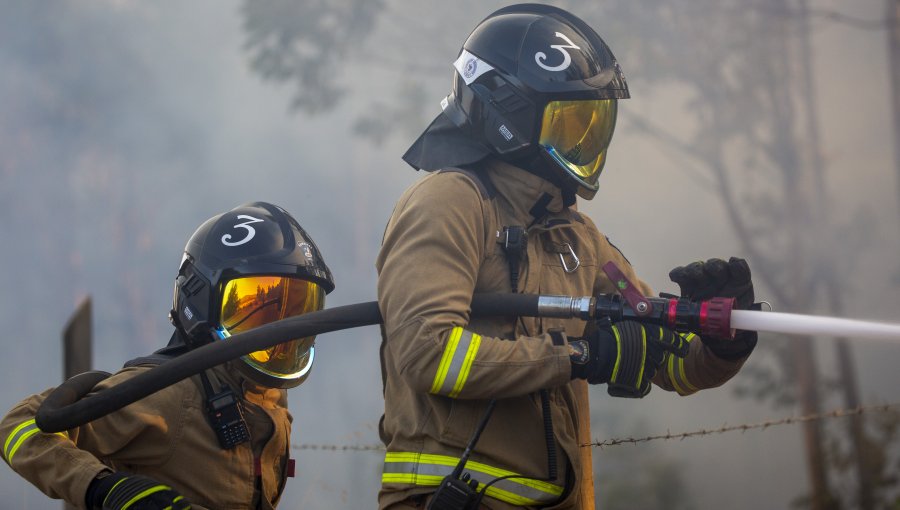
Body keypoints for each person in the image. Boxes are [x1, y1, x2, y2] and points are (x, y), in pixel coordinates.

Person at [376, 4, 758, 509]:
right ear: (511, 115)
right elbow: (430, 354)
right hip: (453, 499)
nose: (584, 142)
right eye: (571, 122)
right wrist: (578, 355)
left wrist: (721, 341)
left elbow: (667, 360)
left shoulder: (580, 238)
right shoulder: (449, 203)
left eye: (593, 125)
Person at [1, 201, 334, 510]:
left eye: (298, 308)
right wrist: (102, 488)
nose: (281, 331)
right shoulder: (169, 396)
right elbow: (19, 426)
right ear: (202, 299)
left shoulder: (269, 399)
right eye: (254, 307)